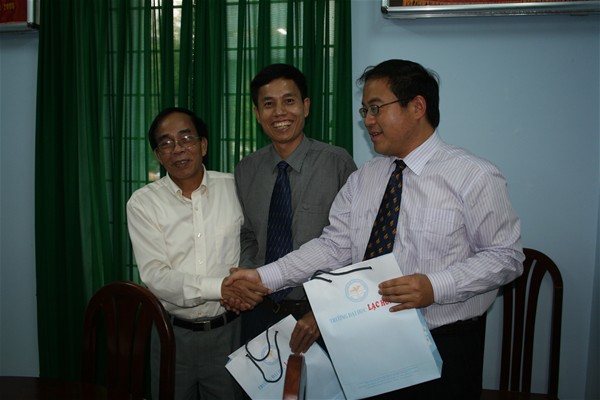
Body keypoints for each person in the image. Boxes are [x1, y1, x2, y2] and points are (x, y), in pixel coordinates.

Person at [224, 59, 524, 399]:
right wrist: (263, 277)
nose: (367, 120)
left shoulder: (473, 176)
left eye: (376, 108)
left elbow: (506, 257)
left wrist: (435, 286)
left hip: (444, 345)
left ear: (417, 107)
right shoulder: (365, 178)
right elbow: (333, 247)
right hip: (367, 337)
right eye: (365, 110)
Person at [126, 107, 268, 400]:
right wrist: (221, 288)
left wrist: (244, 283)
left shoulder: (235, 188)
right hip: (171, 335)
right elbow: (156, 276)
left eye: (186, 138)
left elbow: (254, 242)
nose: (178, 149)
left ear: (203, 145)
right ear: (158, 154)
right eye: (166, 143)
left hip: (230, 332)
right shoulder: (143, 204)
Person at [235, 63, 357, 353]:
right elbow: (248, 235)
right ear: (257, 114)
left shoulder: (337, 163)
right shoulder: (246, 169)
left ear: (306, 106)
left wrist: (325, 311)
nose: (279, 112)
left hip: (318, 315)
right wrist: (248, 280)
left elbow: (355, 245)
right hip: (259, 312)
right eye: (268, 104)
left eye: (289, 101)